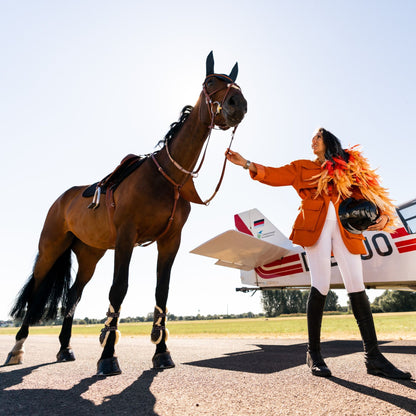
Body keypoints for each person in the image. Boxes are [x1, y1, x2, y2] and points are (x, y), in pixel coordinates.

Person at [225, 127, 411, 379]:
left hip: (348, 230)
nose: (312, 141)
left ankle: (374, 357)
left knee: (357, 286)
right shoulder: (303, 167)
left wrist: (383, 215)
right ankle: (314, 353)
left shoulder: (350, 168)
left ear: (329, 141)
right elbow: (278, 175)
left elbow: (370, 194)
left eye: (317, 137)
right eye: (311, 138)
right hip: (315, 228)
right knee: (320, 285)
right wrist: (246, 163)